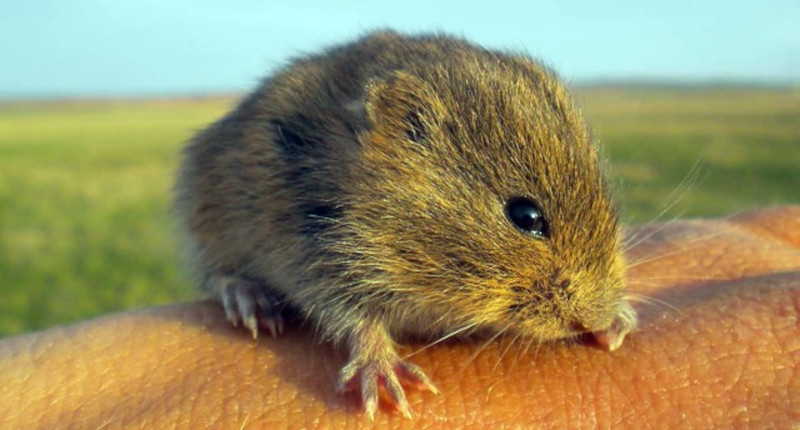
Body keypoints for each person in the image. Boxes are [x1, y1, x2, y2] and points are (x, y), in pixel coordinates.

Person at [1, 206, 798, 428]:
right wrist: (367, 339)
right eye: (525, 220)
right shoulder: (355, 207)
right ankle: (229, 279)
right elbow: (325, 261)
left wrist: (595, 290)